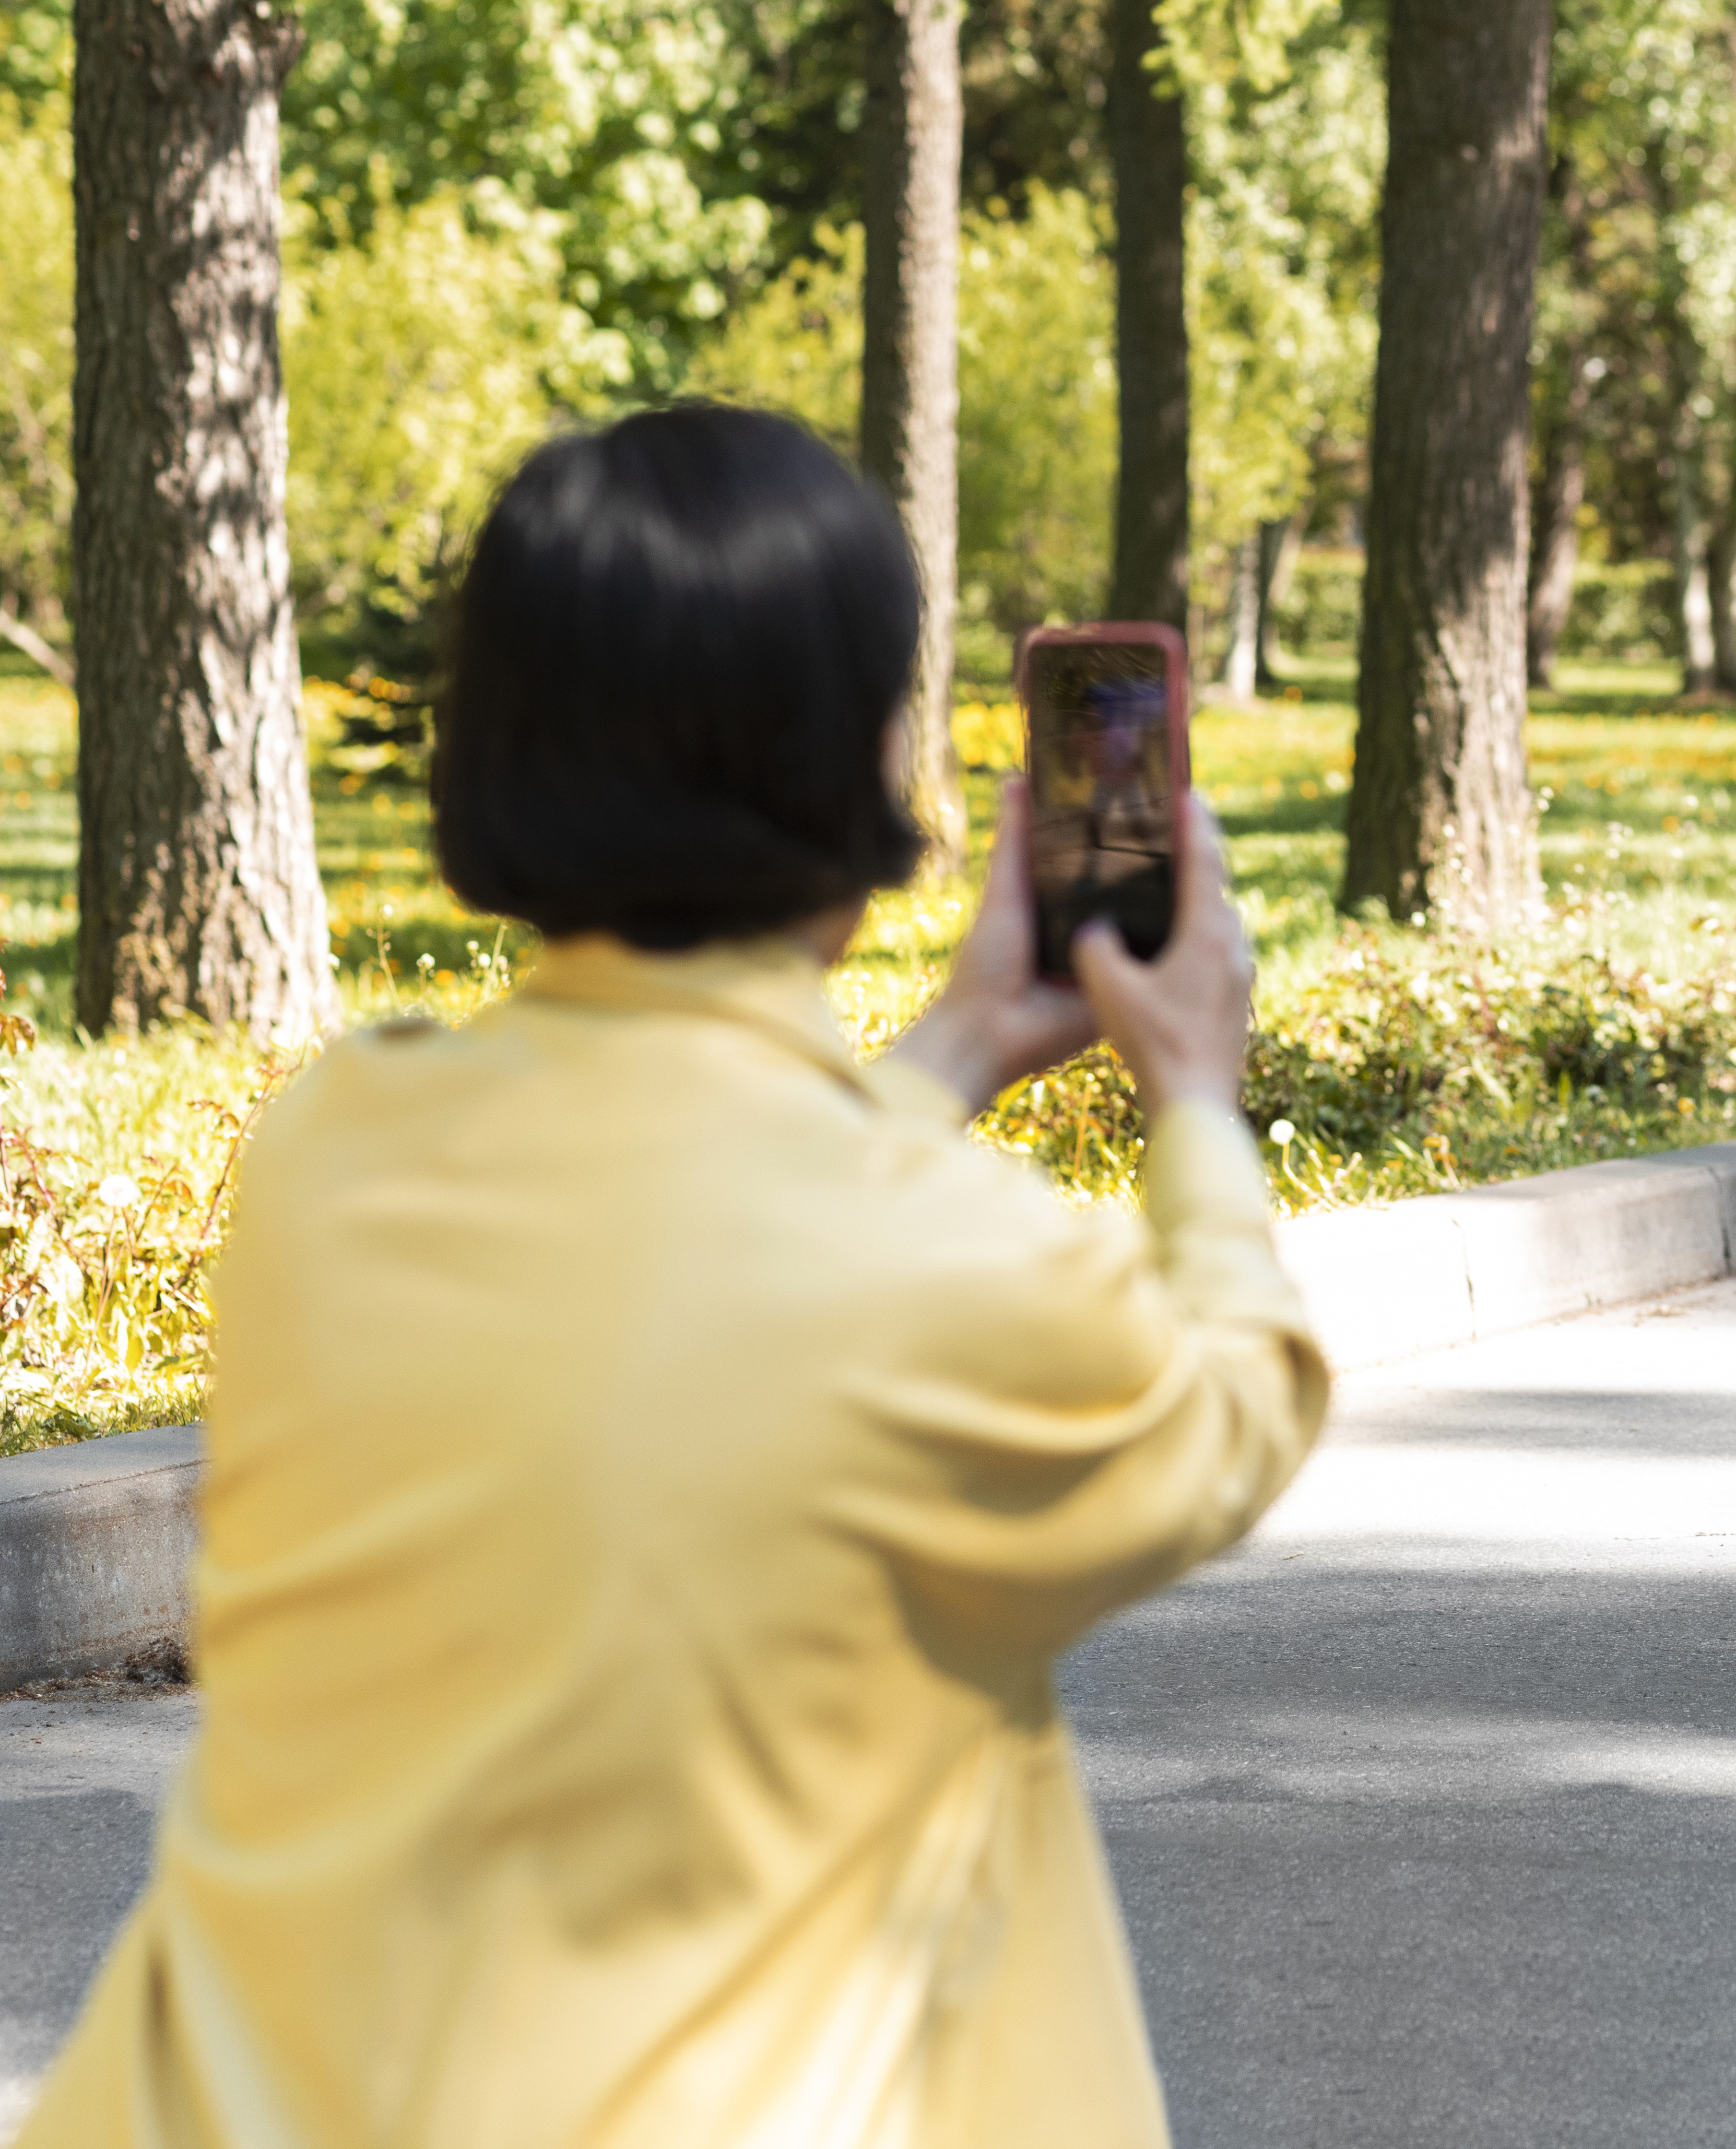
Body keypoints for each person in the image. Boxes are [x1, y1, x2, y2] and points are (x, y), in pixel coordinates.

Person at [21, 407, 1327, 2145]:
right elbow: (1234, 1410)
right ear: (874, 766)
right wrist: (1196, 1103)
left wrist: (952, 1051)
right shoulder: (949, 1265)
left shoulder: (332, 1155)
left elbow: (678, 1253)